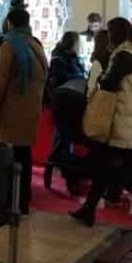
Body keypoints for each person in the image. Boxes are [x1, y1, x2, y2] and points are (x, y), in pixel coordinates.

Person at [72, 17, 132, 235]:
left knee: (123, 172)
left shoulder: (123, 55)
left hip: (121, 121)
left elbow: (109, 82)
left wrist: (100, 78)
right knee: (120, 171)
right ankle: (91, 209)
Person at [0, 10, 48, 214]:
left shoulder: (9, 45)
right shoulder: (36, 45)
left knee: (8, 159)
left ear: (10, 23)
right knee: (24, 156)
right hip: (31, 109)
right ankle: (23, 201)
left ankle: (9, 201)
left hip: (11, 110)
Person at [45, 31, 87, 188]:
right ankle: (60, 164)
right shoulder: (60, 59)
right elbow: (58, 79)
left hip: (69, 100)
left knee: (64, 136)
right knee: (62, 135)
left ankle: (61, 164)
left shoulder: (69, 57)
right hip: (64, 101)